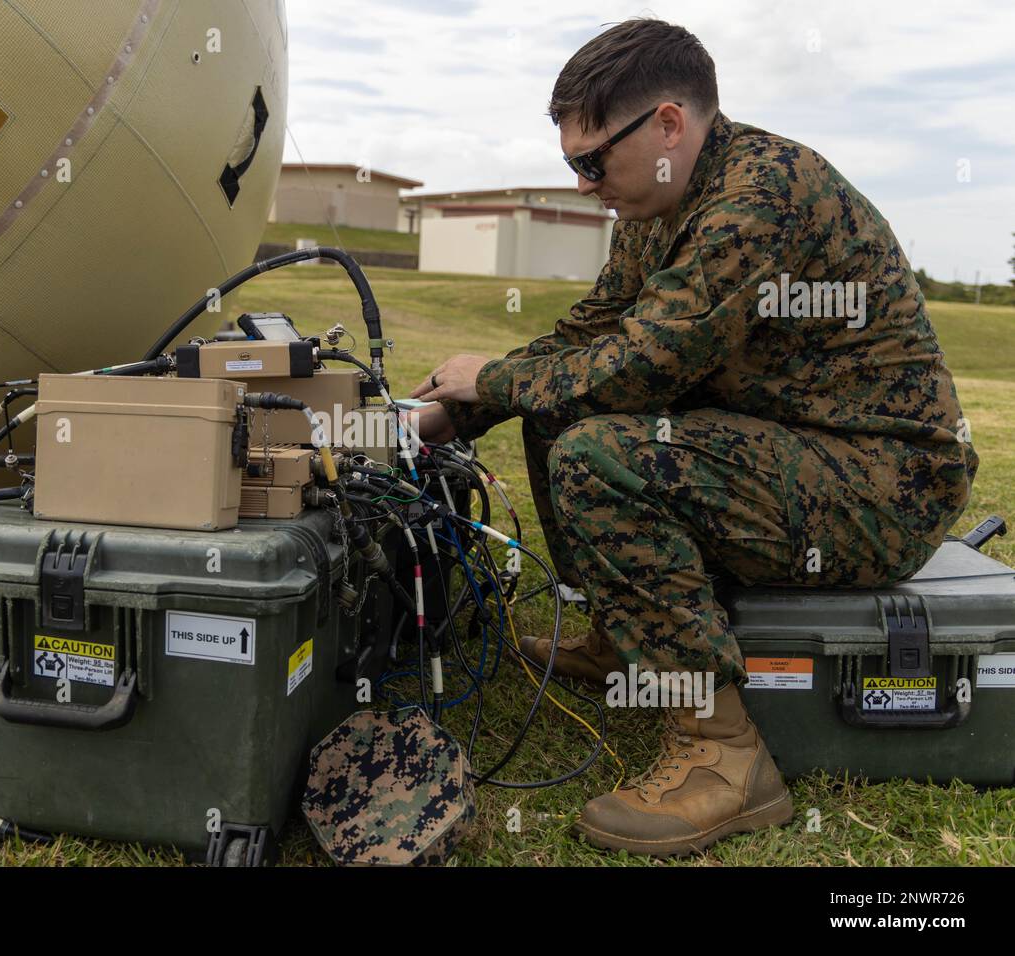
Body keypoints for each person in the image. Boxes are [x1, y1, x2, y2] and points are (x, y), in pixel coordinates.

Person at [409, 17, 978, 857]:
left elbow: (643, 365)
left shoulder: (761, 195)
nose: (581, 183)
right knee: (559, 404)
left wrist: (491, 381)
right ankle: (626, 641)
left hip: (883, 481)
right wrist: (454, 408)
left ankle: (724, 757)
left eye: (592, 161)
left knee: (601, 454)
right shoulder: (658, 202)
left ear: (668, 125)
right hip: (800, 448)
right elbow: (589, 337)